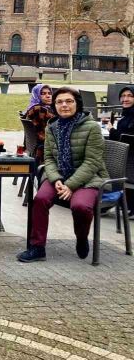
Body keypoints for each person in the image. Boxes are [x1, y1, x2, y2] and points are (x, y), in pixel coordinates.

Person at [18, 87, 108, 263]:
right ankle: (37, 247)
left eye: (69, 101)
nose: (64, 105)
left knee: (80, 206)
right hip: (58, 177)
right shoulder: (52, 126)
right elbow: (49, 158)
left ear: (77, 104)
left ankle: (82, 238)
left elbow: (92, 163)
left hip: (88, 178)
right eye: (59, 102)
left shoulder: (92, 128)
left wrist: (71, 185)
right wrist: (57, 179)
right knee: (40, 199)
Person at [108, 85, 134, 217]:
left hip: (128, 166)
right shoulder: (126, 117)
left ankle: (109, 200)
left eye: (130, 96)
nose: (125, 99)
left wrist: (111, 129)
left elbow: (122, 140)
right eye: (123, 96)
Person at [24, 84, 56, 165]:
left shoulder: (36, 107)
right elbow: (56, 124)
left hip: (38, 145)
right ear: (37, 95)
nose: (48, 96)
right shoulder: (39, 109)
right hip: (46, 146)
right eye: (43, 93)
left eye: (49, 93)